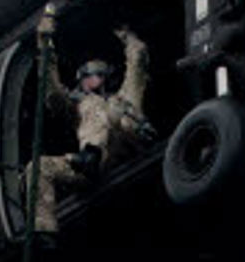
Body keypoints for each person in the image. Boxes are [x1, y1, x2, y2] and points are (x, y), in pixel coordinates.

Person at [34, 25, 155, 236]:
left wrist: (123, 31)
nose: (91, 80)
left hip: (129, 142)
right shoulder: (78, 107)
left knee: (118, 107)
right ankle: (44, 233)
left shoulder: (124, 96)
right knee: (38, 168)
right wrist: (46, 48)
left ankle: (96, 153)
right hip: (93, 166)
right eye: (86, 76)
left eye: (97, 74)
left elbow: (138, 56)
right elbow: (52, 92)